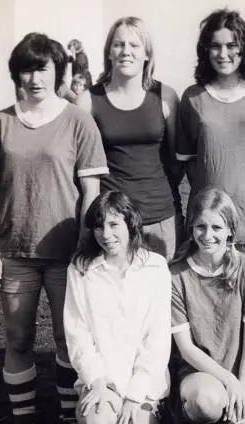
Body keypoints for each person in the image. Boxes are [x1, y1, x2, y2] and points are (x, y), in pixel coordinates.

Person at [0, 32, 107, 424]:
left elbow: (90, 189)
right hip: (13, 252)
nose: (35, 78)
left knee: (67, 339)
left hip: (65, 253)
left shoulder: (78, 120)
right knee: (17, 339)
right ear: (16, 73)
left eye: (43, 68)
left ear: (58, 72)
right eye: (27, 69)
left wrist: (84, 243)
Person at [64, 191, 171, 424]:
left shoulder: (156, 267)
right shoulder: (81, 267)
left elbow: (158, 339)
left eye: (114, 225)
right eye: (98, 226)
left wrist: (135, 396)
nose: (105, 235)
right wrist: (98, 381)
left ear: (131, 224)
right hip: (104, 382)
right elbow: (77, 333)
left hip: (143, 387)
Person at [170, 187, 245, 424]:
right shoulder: (176, 274)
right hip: (200, 376)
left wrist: (239, 385)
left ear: (230, 230)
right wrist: (227, 380)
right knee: (205, 402)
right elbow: (186, 348)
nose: (208, 235)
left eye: (217, 227)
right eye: (200, 226)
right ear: (191, 227)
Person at [177, 9, 245, 271]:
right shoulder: (193, 98)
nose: (223, 54)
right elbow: (189, 164)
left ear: (244, 47)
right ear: (205, 50)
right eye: (215, 46)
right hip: (210, 229)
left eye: (231, 45)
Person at [77, 17, 182, 260]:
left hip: (160, 218)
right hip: (111, 225)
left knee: (161, 296)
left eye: (134, 45)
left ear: (147, 54)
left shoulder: (165, 96)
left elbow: (176, 162)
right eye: (119, 45)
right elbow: (83, 172)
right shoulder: (87, 101)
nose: (126, 51)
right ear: (109, 53)